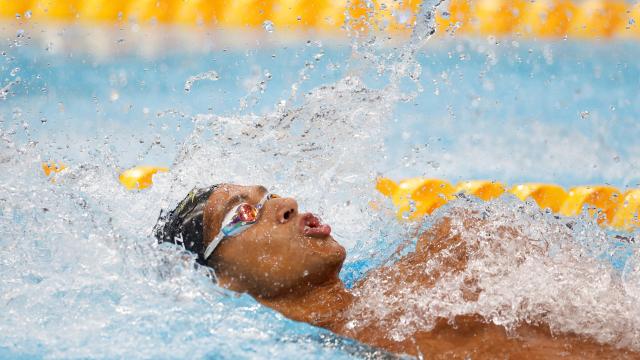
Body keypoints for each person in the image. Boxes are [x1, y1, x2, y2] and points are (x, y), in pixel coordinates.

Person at [154, 184, 639, 359]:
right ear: (221, 283)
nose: (285, 204)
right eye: (242, 215)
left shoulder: (446, 244)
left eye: (269, 194)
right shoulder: (376, 342)